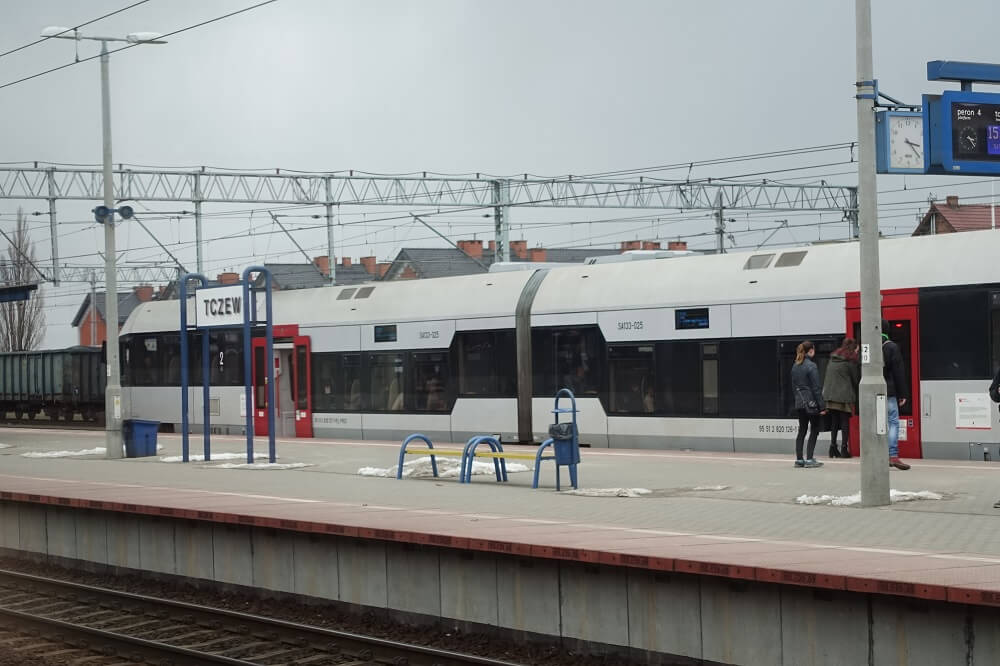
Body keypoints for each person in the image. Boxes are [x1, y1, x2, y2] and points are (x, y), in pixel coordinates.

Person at [822, 337, 860, 458]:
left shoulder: (833, 359)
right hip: (843, 397)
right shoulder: (849, 362)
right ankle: (844, 449)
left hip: (830, 396)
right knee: (844, 423)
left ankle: (832, 448)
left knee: (834, 422)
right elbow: (856, 379)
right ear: (853, 348)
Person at [790, 340, 826, 468]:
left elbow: (794, 387)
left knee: (802, 430)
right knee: (814, 429)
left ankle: (799, 459)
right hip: (811, 403)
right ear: (810, 350)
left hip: (800, 402)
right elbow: (816, 388)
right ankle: (810, 459)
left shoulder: (795, 366)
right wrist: (822, 406)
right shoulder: (811, 366)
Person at [882, 320, 911, 471]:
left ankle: (878, 454)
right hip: (889, 392)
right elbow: (899, 372)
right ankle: (892, 455)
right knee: (893, 422)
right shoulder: (891, 347)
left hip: (871, 393)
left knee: (877, 423)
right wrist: (903, 394)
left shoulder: (867, 346)